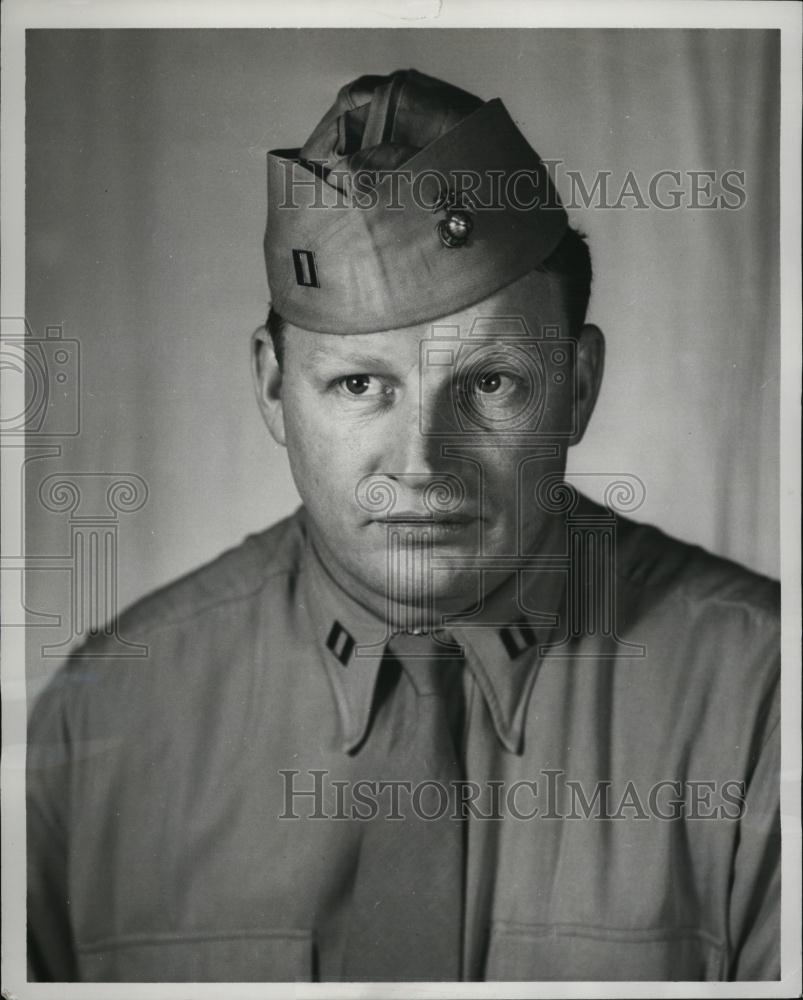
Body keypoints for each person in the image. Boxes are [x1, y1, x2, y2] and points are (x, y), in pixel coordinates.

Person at [27, 68, 780, 983]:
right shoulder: (107, 720)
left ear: (576, 387)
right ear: (273, 387)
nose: (421, 463)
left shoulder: (765, 707)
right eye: (358, 385)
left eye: (490, 382)